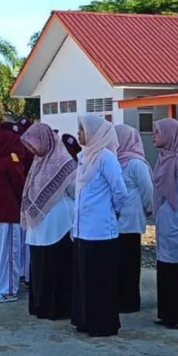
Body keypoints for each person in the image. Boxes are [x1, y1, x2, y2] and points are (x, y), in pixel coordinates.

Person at [72, 115, 128, 338]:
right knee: (84, 278)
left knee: (100, 280)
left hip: (101, 231)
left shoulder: (106, 158)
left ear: (94, 132)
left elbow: (120, 192)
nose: (79, 134)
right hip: (82, 229)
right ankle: (85, 320)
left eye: (82, 130)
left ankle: (102, 324)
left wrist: (110, 212)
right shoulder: (84, 157)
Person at [20, 123, 76, 321]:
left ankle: (57, 308)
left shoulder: (64, 161)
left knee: (55, 264)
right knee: (40, 264)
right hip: (39, 225)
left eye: (34, 144)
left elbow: (74, 190)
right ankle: (40, 305)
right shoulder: (38, 162)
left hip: (58, 223)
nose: (33, 149)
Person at [151, 118, 178, 329]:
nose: (154, 136)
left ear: (170, 134)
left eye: (158, 132)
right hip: (165, 219)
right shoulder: (162, 158)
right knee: (165, 266)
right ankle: (167, 312)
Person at [114, 124, 154, 314]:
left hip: (129, 219)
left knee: (129, 261)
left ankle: (129, 301)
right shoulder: (114, 160)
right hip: (118, 219)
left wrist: (148, 208)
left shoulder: (135, 164)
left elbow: (148, 190)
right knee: (120, 261)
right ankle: (120, 299)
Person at [0, 123, 27, 303]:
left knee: (9, 254)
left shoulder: (11, 159)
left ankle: (9, 290)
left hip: (8, 216)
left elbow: (20, 186)